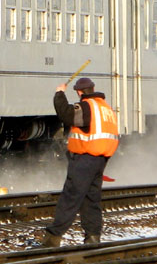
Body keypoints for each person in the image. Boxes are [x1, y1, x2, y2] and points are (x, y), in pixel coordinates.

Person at [40, 76, 119, 248]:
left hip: (85, 158)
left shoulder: (87, 107)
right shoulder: (106, 108)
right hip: (101, 159)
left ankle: (52, 238)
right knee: (91, 199)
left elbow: (67, 115)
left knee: (70, 196)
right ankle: (92, 237)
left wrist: (59, 94)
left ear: (79, 92)